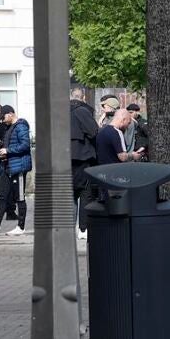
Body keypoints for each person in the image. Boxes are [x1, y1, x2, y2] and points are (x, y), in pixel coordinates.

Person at [0, 104, 31, 236]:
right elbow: (12, 143)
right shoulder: (10, 127)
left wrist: (8, 150)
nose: (2, 120)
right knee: (2, 195)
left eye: (3, 117)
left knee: (19, 197)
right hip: (8, 166)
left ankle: (21, 227)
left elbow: (25, 145)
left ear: (10, 114)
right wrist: (1, 146)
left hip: (18, 167)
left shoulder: (21, 126)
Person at [69, 88, 100, 237]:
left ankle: (69, 229)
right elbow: (93, 132)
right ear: (83, 98)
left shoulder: (60, 111)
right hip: (82, 157)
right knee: (85, 193)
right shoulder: (83, 111)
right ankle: (83, 229)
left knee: (70, 194)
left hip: (65, 158)